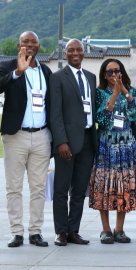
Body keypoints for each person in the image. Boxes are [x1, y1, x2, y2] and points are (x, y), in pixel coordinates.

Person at [0, 31, 53, 248]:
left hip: (41, 136)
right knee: (14, 187)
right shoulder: (7, 66)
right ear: (19, 45)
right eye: (25, 42)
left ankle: (35, 232)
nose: (29, 45)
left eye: (33, 42)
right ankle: (16, 232)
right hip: (15, 135)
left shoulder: (46, 71)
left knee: (38, 187)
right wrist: (18, 72)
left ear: (38, 45)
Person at [90, 58, 136, 244]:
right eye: (109, 72)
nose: (114, 75)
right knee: (104, 185)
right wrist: (114, 95)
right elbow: (102, 119)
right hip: (106, 145)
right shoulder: (99, 93)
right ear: (104, 75)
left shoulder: (130, 91)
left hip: (126, 145)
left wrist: (124, 92)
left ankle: (120, 229)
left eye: (117, 71)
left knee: (124, 185)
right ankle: (106, 229)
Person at [49, 39, 98, 246]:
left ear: (84, 53)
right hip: (67, 142)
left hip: (88, 139)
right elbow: (55, 113)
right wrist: (61, 141)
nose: (75, 53)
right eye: (71, 50)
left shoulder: (90, 77)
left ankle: (73, 230)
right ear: (65, 53)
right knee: (61, 189)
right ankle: (60, 231)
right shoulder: (58, 77)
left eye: (79, 50)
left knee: (79, 190)